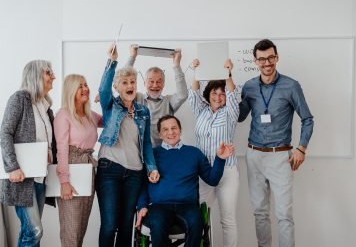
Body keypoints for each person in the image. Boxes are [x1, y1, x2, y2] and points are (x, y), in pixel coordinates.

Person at [238, 39, 314, 247]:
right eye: (262, 59)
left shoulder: (291, 85)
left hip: (280, 156)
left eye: (270, 58)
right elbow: (240, 117)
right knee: (260, 214)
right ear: (256, 61)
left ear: (276, 58)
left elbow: (307, 119)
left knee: (284, 215)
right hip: (253, 155)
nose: (267, 63)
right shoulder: (250, 86)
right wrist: (226, 91)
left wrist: (301, 148)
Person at [95, 42, 160, 247]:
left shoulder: (143, 111)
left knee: (126, 226)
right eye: (124, 82)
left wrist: (151, 167)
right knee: (109, 225)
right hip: (110, 170)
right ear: (117, 87)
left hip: (135, 173)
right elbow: (103, 88)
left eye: (132, 81)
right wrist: (112, 61)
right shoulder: (110, 105)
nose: (129, 85)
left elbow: (147, 143)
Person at [135, 115, 235, 247]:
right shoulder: (152, 155)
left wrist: (220, 159)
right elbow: (142, 184)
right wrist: (142, 206)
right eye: (165, 129)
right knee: (158, 222)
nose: (170, 132)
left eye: (174, 128)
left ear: (180, 130)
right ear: (159, 134)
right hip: (159, 206)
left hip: (187, 206)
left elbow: (213, 180)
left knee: (195, 220)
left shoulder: (194, 153)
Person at [0, 60, 57, 247]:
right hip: (22, 177)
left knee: (30, 231)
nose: (53, 77)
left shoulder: (46, 106)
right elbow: (5, 132)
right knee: (34, 230)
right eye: (49, 73)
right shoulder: (19, 99)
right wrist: (12, 167)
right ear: (35, 75)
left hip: (41, 176)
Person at [188, 58, 241, 247]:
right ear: (208, 94)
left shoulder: (230, 112)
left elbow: (234, 95)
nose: (218, 96)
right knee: (196, 216)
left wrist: (228, 73)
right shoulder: (201, 111)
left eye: (222, 93)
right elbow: (193, 94)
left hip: (227, 171)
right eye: (214, 92)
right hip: (204, 172)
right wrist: (196, 72)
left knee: (227, 219)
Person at [54, 74, 104, 247]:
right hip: (71, 167)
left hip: (88, 169)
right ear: (70, 90)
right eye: (80, 86)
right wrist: (64, 181)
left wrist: (105, 99)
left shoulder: (89, 114)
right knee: (71, 229)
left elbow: (109, 121)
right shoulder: (63, 115)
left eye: (86, 85)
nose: (85, 89)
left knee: (81, 226)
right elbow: (61, 150)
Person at [124, 44, 189, 146]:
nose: (155, 85)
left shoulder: (168, 101)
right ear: (144, 83)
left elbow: (183, 95)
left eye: (159, 81)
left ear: (163, 84)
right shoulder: (136, 98)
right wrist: (132, 57)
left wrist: (177, 64)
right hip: (140, 154)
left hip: (163, 154)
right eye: (151, 81)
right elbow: (123, 83)